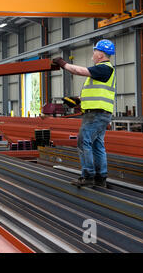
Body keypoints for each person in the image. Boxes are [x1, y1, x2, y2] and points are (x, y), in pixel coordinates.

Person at [53, 39, 116, 188]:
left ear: (101, 54)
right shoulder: (102, 71)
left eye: (95, 51)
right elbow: (97, 93)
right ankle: (100, 178)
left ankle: (88, 175)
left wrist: (63, 64)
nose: (93, 54)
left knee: (83, 142)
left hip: (96, 115)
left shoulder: (104, 68)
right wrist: (78, 100)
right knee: (97, 145)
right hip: (99, 114)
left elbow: (78, 71)